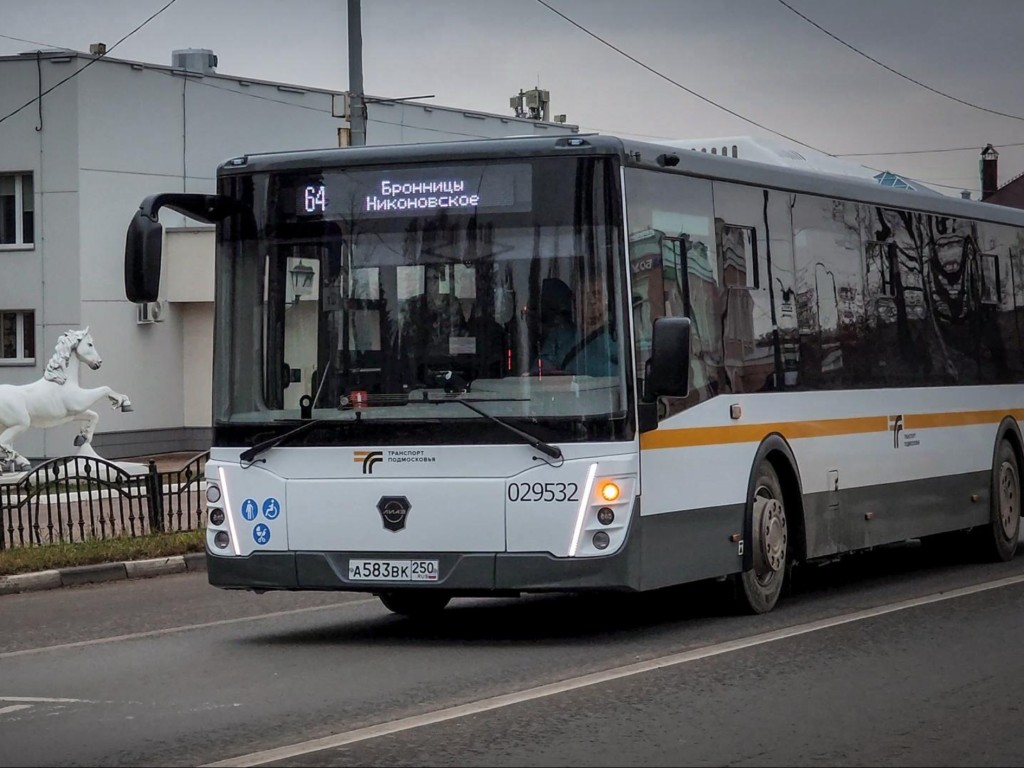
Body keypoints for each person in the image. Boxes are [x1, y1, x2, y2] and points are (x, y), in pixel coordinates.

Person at [560, 279, 619, 377]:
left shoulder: (620, 334)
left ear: (607, 300)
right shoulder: (561, 335)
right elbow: (541, 371)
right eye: (585, 295)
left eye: (597, 294)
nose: (592, 301)